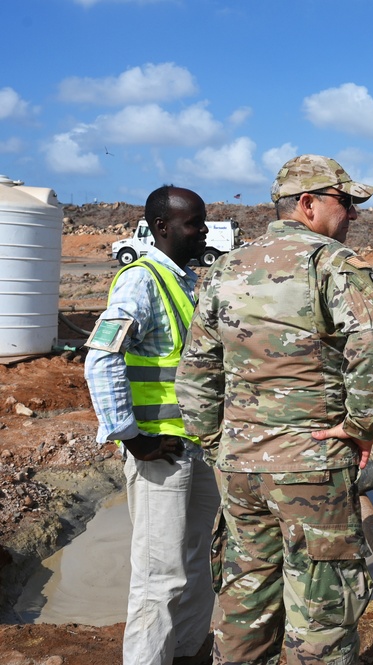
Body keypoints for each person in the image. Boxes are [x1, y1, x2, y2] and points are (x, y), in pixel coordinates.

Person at [176, 154, 373, 664]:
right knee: (321, 608)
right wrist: (362, 427)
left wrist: (219, 444)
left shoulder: (225, 269)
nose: (353, 216)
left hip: (238, 467)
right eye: (346, 203)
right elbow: (367, 346)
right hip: (312, 469)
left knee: (244, 599)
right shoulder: (332, 265)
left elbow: (196, 371)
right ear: (308, 204)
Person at [83, 185, 219, 665]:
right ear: (162, 227)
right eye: (193, 223)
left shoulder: (186, 281)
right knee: (158, 577)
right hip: (159, 453)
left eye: (203, 221)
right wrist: (130, 437)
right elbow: (101, 360)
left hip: (194, 448)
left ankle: (185, 653)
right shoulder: (140, 280)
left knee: (195, 563)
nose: (203, 230)